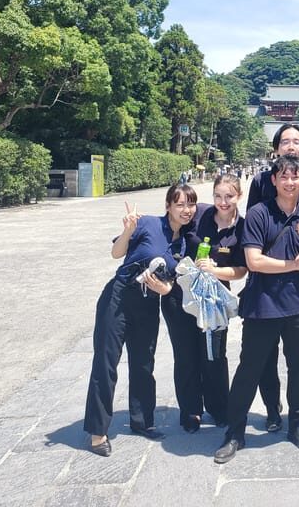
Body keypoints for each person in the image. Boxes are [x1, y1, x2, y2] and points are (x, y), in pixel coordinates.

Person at [214, 155, 299, 463]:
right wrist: (293, 264)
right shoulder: (259, 214)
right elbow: (254, 262)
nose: (290, 182)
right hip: (262, 306)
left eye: (296, 177)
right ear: (273, 180)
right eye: (284, 176)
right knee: (250, 368)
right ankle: (235, 432)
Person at [83, 184, 201, 456]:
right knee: (106, 362)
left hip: (149, 303)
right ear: (168, 206)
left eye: (191, 204)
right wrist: (127, 230)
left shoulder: (184, 242)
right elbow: (116, 252)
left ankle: (141, 420)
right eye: (180, 204)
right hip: (119, 297)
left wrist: (167, 288)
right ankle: (98, 432)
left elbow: (174, 279)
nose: (186, 210)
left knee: (143, 362)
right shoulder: (147, 223)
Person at [245, 123, 299, 432]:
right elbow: (253, 224)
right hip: (267, 276)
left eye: (297, 141)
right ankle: (271, 408)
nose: (291, 146)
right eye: (285, 141)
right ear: (277, 147)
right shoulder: (260, 180)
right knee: (265, 354)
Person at [161, 175, 247, 433]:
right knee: (186, 356)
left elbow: (242, 269)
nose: (223, 201)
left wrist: (216, 270)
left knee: (214, 356)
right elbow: (172, 222)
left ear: (238, 196)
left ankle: (219, 407)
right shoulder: (200, 215)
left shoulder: (242, 228)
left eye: (229, 196)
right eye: (218, 195)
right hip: (182, 297)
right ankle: (191, 411)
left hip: (215, 301)